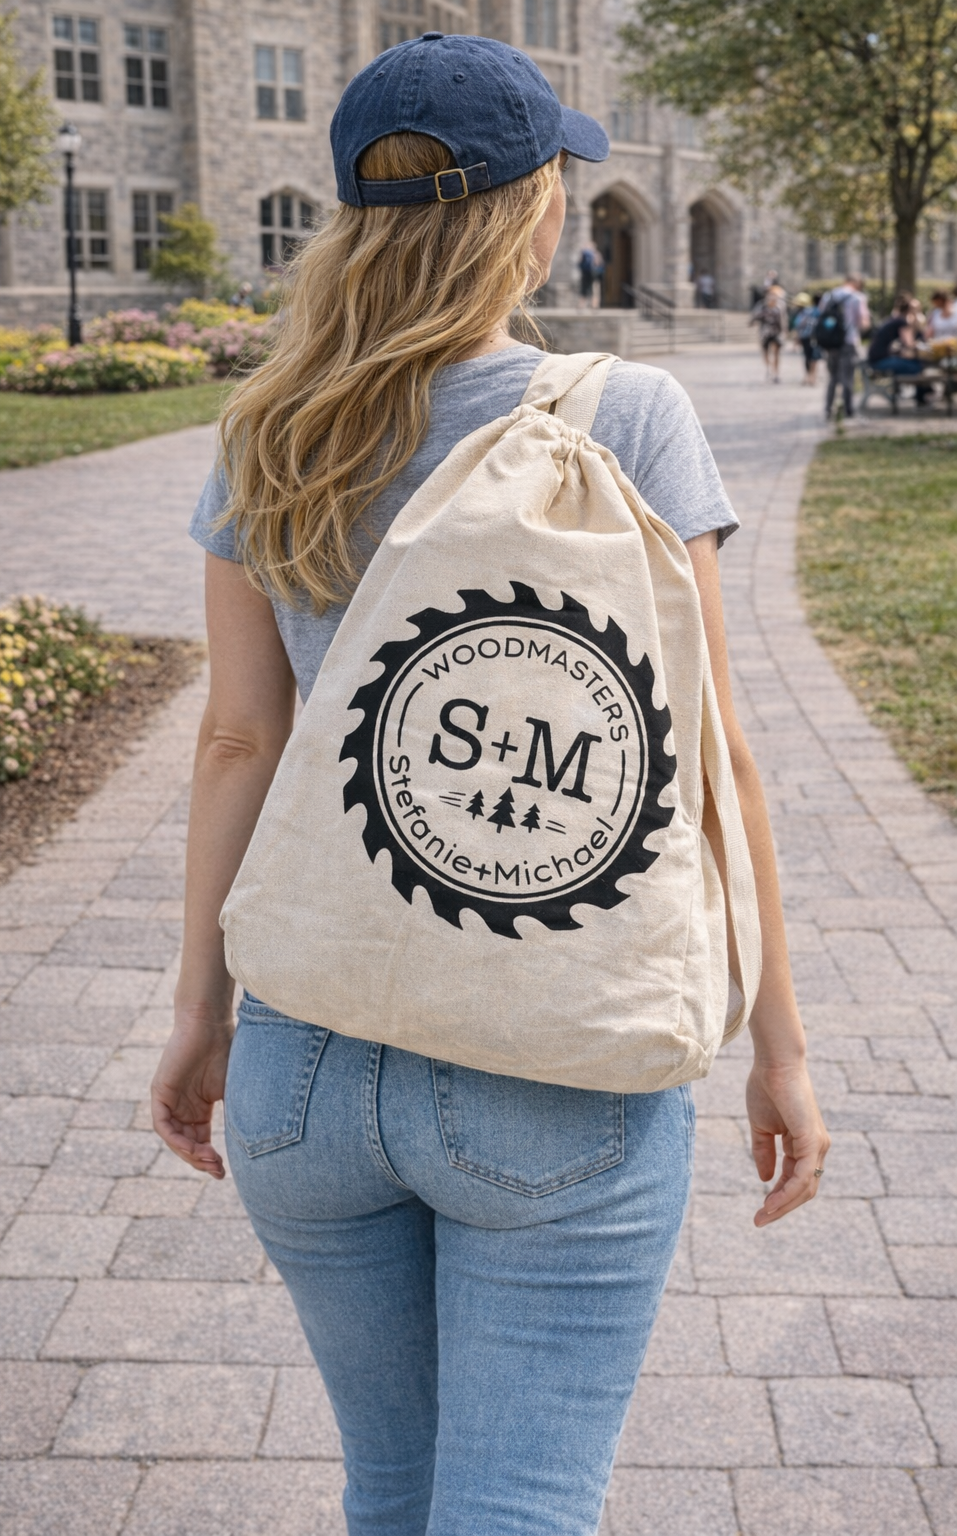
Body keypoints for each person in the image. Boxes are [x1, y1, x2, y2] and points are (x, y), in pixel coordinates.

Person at [152, 33, 829, 1536]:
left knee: (393, 1491)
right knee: (521, 1503)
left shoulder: (268, 429)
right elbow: (718, 760)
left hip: (307, 1062)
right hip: (559, 1059)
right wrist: (778, 1046)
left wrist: (201, 1017)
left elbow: (237, 746)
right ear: (533, 214)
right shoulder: (627, 414)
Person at [818, 273, 869, 419]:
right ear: (857, 284)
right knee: (848, 377)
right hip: (848, 341)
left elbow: (821, 316)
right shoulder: (857, 297)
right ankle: (848, 410)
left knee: (833, 377)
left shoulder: (829, 296)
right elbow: (862, 323)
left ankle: (828, 409)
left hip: (831, 342)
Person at [868, 296, 933, 405]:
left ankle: (923, 394)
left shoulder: (894, 319)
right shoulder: (902, 321)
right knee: (916, 366)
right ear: (910, 311)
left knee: (915, 363)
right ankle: (922, 395)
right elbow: (910, 344)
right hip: (879, 361)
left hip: (877, 357)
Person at [751, 282, 788, 381]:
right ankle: (768, 368)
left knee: (776, 353)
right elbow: (754, 316)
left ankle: (776, 374)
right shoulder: (762, 305)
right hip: (765, 332)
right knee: (766, 352)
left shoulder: (780, 305)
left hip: (777, 331)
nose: (773, 297)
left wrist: (785, 331)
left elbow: (784, 319)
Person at [792, 291, 822, 386]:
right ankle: (812, 377)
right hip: (815, 337)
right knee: (814, 357)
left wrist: (797, 337)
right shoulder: (819, 311)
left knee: (807, 357)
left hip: (805, 336)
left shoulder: (806, 311)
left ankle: (808, 376)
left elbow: (798, 324)